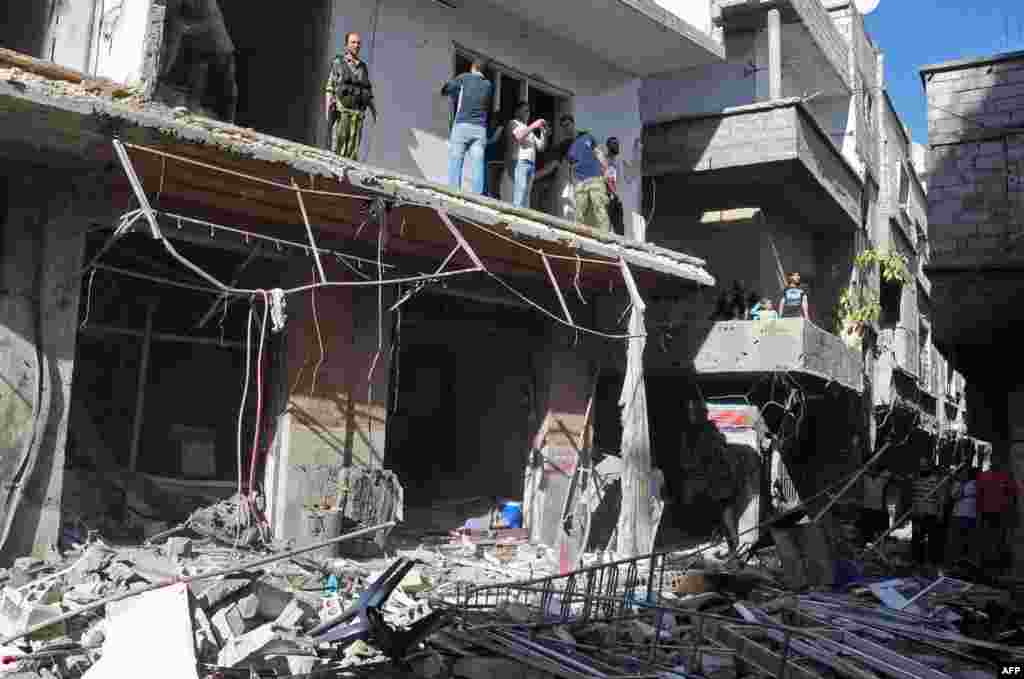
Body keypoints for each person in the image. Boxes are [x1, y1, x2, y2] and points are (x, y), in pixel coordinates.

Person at [441, 59, 493, 194]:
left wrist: (448, 90)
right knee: (478, 163)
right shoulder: (488, 85)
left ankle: (454, 192)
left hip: (462, 125)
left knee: (456, 159)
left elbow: (447, 89)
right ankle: (478, 196)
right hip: (480, 129)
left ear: (473, 67)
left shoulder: (464, 77)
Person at [325, 32, 377, 160]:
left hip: (357, 117)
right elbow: (330, 87)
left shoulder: (363, 67)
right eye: (353, 42)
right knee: (337, 149)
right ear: (346, 45)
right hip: (342, 114)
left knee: (352, 152)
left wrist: (374, 112)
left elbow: (367, 92)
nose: (356, 45)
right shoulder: (338, 62)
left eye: (358, 43)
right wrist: (327, 110)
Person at [567, 124, 611, 232]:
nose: (566, 128)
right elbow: (571, 167)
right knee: (579, 211)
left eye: (568, 124)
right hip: (580, 182)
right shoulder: (569, 147)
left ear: (573, 125)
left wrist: (606, 170)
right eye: (563, 126)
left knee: (599, 207)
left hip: (595, 178)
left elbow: (598, 152)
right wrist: (573, 183)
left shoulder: (587, 137)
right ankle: (578, 235)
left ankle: (605, 235)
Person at [507, 101, 549, 208]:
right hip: (520, 162)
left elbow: (541, 147)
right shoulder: (514, 123)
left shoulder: (528, 129)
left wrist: (544, 133)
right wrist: (534, 125)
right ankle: (516, 216)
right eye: (525, 110)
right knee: (520, 193)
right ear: (517, 111)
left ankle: (523, 218)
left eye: (528, 111)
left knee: (526, 195)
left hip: (531, 164)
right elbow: (519, 136)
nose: (528, 113)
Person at [977, 463, 1015, 567]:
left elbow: (1011, 494)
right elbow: (979, 494)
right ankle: (987, 561)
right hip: (987, 512)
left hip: (1000, 512)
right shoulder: (984, 475)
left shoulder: (1006, 476)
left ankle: (995, 562)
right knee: (988, 538)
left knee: (997, 538)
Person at [910, 458, 946, 566]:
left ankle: (932, 562)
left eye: (925, 466)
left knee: (932, 540)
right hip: (917, 514)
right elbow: (914, 497)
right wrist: (913, 512)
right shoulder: (916, 479)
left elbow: (941, 498)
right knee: (917, 538)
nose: (923, 468)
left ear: (929, 467)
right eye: (921, 466)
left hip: (931, 514)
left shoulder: (936, 480)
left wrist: (940, 513)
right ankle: (917, 561)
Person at [947, 466, 978, 566]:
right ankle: (955, 561)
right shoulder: (957, 484)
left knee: (968, 539)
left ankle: (967, 561)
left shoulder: (975, 483)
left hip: (971, 515)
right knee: (957, 539)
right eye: (962, 473)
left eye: (966, 473)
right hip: (958, 514)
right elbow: (954, 496)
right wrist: (961, 485)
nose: (964, 475)